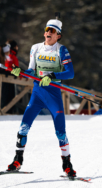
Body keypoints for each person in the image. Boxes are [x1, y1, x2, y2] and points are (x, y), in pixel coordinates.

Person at [7, 18, 76, 177]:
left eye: (52, 31)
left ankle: (67, 163)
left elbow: (70, 73)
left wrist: (52, 76)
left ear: (58, 35)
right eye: (47, 30)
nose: (48, 33)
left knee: (60, 133)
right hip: (37, 94)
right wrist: (21, 71)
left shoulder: (61, 50)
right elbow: (31, 70)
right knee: (23, 127)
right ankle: (17, 160)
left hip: (53, 94)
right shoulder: (36, 48)